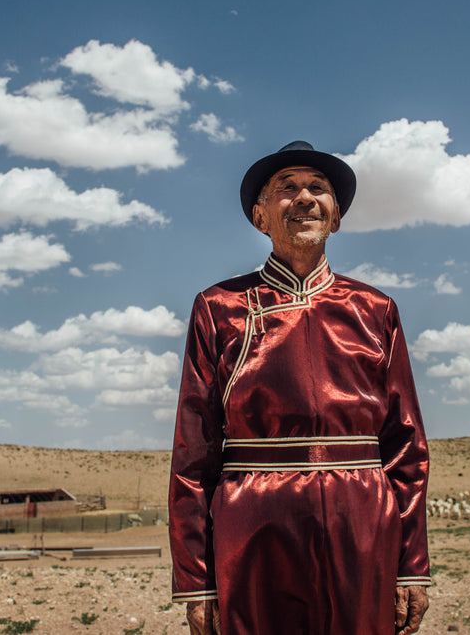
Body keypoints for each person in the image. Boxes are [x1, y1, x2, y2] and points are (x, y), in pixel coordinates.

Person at [169, 141, 431, 635]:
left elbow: (405, 446)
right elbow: (193, 455)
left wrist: (411, 563)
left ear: (336, 218)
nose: (304, 198)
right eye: (286, 189)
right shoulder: (218, 307)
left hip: (362, 527)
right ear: (260, 217)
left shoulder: (375, 310)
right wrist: (197, 581)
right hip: (254, 529)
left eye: (318, 189)